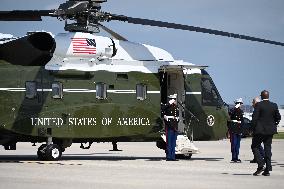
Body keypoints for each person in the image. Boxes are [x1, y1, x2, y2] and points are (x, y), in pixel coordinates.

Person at [251, 90, 281, 176]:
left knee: (254, 146)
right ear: (268, 96)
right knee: (268, 149)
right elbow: (278, 117)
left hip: (260, 131)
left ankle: (261, 165)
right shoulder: (274, 105)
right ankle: (267, 169)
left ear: (261, 96)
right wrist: (273, 124)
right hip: (270, 131)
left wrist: (251, 128)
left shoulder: (259, 105)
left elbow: (255, 118)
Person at [163, 94, 179, 161]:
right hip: (169, 126)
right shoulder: (167, 106)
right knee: (169, 142)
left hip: (174, 126)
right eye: (173, 99)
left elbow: (177, 117)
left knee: (173, 143)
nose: (174, 100)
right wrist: (168, 104)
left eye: (175, 99)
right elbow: (162, 109)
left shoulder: (176, 107)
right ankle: (169, 157)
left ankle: (173, 157)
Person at [228, 98, 244, 163]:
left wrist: (242, 130)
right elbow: (229, 115)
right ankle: (233, 157)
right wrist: (235, 108)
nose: (240, 105)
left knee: (238, 145)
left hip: (239, 130)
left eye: (240, 104)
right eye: (239, 103)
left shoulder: (241, 111)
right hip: (233, 129)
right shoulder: (232, 110)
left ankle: (236, 157)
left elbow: (242, 121)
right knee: (233, 144)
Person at [250, 96, 264, 163]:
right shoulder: (260, 108)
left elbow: (254, 121)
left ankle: (262, 158)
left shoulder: (258, 109)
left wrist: (251, 129)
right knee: (257, 145)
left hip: (258, 130)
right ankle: (256, 158)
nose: (252, 104)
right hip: (259, 130)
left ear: (256, 102)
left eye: (253, 102)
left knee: (256, 146)